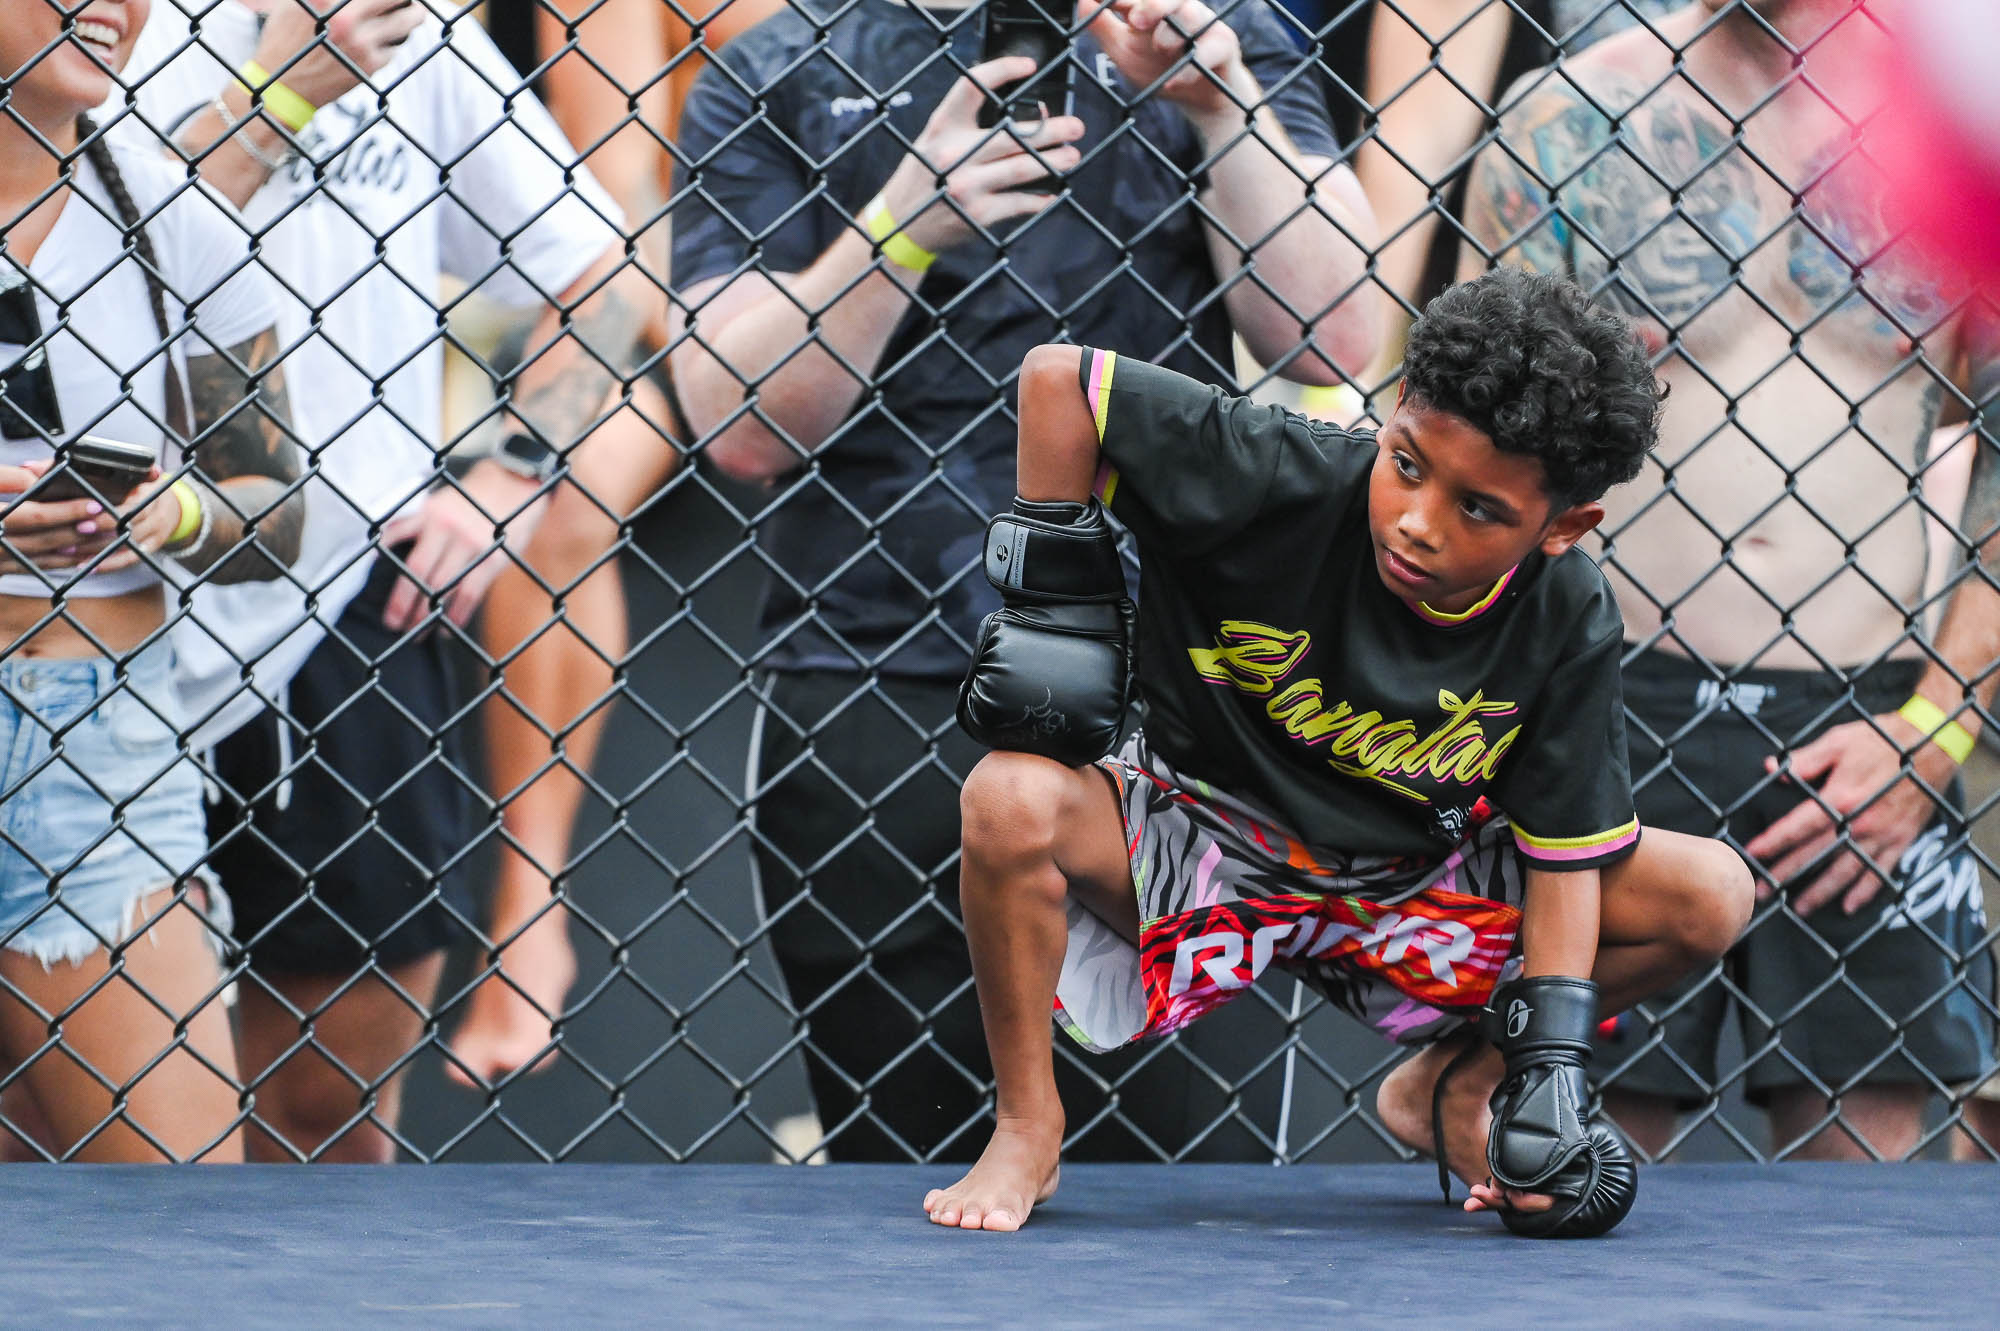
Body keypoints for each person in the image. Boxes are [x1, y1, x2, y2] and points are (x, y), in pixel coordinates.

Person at [668, 0, 1381, 1161]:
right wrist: (900, 228)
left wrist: (1220, 108)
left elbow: (1334, 331)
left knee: (1199, 1195)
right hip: (876, 664)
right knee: (905, 1172)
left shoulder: (1207, 28)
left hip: (1169, 679)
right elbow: (738, 423)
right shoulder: (779, 65)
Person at [927, 267, 1752, 1231]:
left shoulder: (1565, 612)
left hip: (1411, 889)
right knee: (1008, 799)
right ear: (1395, 408)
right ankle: (1027, 1124)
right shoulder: (1275, 474)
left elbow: (1564, 857)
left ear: (1563, 527)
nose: (1418, 522)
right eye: (1408, 464)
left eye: (1478, 509)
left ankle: (1451, 1087)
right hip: (1201, 840)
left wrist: (1543, 1071)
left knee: (1710, 893)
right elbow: (1060, 383)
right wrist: (1058, 606)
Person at [1460, 0, 1998, 1160]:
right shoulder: (1568, 119)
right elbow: (1475, 443)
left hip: (1867, 709)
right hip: (1609, 697)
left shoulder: (1960, 130)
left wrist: (1932, 729)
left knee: (1869, 1191)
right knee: (1566, 1152)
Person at [121, 0, 654, 1160]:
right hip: (96, 609)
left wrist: (515, 466)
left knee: (326, 1113)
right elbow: (103, 275)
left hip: (347, 597)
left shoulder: (420, 35)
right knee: (61, 1118)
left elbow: (606, 271)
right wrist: (277, 96)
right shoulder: (85, 25)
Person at [450, 0, 789, 1089]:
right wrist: (526, 434)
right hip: (674, 311)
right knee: (558, 495)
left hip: (896, 297)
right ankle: (524, 903)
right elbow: (615, 210)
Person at [0, 0, 305, 1160]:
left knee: (182, 1223)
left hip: (93, 753)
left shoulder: (172, 215)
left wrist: (165, 512)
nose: (112, 7)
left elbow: (275, 507)